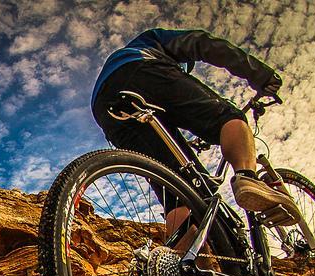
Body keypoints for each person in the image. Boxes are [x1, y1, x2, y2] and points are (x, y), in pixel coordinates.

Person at [91, 28, 299, 225]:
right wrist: (259, 74)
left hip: (104, 107)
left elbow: (169, 117)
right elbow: (202, 42)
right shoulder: (150, 41)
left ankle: (181, 261)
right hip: (139, 69)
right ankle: (247, 177)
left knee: (182, 192)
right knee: (228, 117)